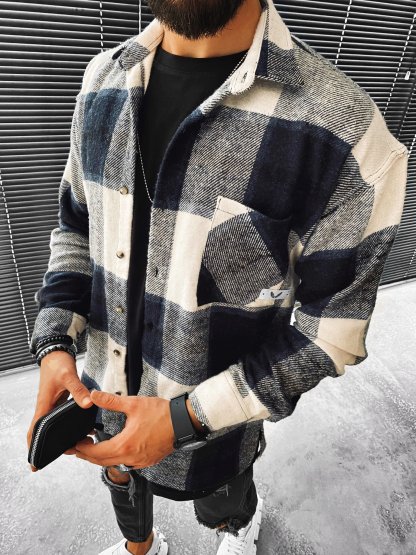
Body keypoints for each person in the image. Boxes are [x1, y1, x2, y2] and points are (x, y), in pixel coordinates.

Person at [26, 0, 409, 553]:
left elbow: (330, 334)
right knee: (119, 478)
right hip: (101, 397)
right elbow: (77, 226)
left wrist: (187, 420)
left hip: (217, 436)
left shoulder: (345, 133)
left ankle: (236, 528)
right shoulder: (102, 80)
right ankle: (140, 547)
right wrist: (55, 344)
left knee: (224, 498)